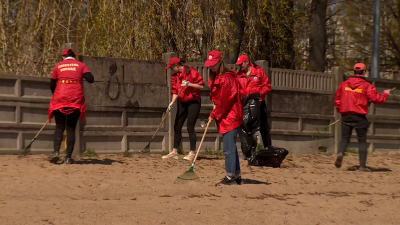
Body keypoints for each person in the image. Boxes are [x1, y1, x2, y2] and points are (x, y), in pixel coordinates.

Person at [334, 63, 391, 171]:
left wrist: (341, 111)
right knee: (362, 140)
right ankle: (362, 166)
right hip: (359, 116)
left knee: (345, 138)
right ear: (364, 72)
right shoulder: (367, 86)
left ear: (354, 71)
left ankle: (340, 153)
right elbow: (377, 100)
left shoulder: (343, 84)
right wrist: (385, 94)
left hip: (346, 115)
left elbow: (337, 100)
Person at [48, 48, 94, 164]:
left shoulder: (58, 66)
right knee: (71, 128)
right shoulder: (81, 65)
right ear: (74, 57)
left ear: (63, 57)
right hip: (75, 99)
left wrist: (56, 95)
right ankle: (68, 157)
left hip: (59, 98)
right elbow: (90, 79)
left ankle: (55, 152)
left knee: (59, 127)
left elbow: (52, 83)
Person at [205, 50, 243, 185]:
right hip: (226, 114)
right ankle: (236, 175)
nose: (211, 67)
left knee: (228, 147)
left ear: (220, 62)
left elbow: (225, 101)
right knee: (230, 146)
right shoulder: (216, 76)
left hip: (230, 115)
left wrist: (214, 114)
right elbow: (218, 98)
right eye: (209, 65)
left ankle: (231, 176)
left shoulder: (227, 78)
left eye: (213, 64)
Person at [162, 57, 204, 161]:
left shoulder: (192, 72)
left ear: (176, 66)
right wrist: (172, 103)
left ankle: (192, 153)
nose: (171, 70)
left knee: (190, 126)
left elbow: (201, 86)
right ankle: (174, 151)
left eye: (172, 67)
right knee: (177, 125)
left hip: (193, 102)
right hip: (182, 102)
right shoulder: (174, 76)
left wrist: (189, 84)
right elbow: (175, 91)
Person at [235, 55, 272, 159]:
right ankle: (247, 152)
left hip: (259, 103)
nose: (240, 66)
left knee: (263, 128)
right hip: (245, 104)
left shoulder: (259, 72)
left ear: (247, 62)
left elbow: (267, 86)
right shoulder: (239, 75)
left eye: (241, 64)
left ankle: (268, 149)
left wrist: (260, 94)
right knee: (246, 128)